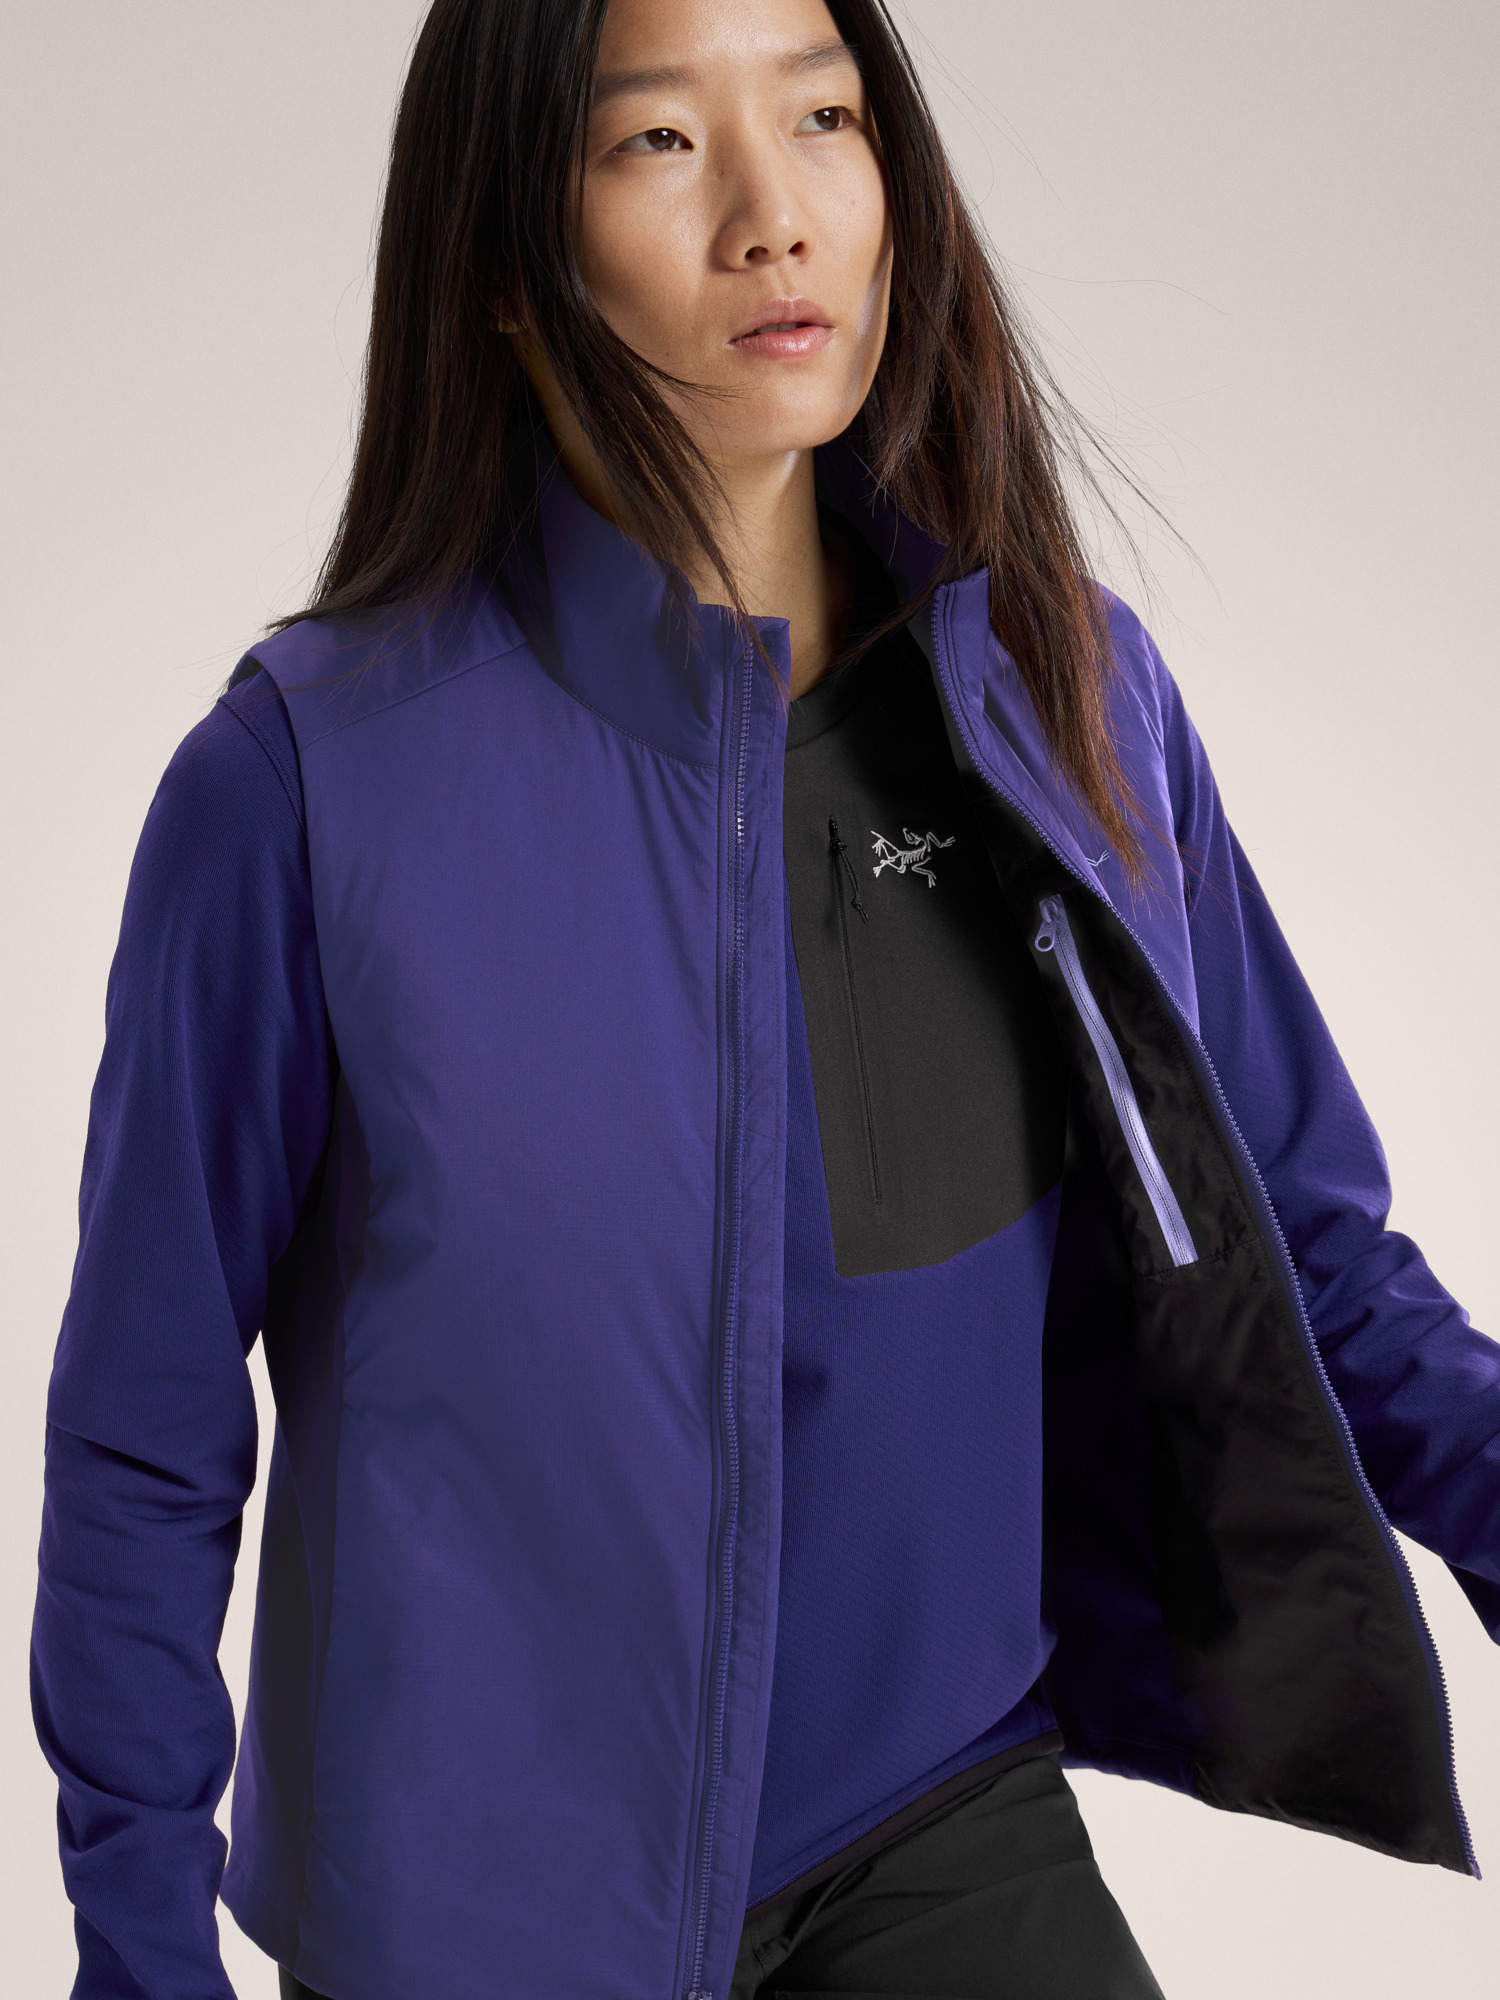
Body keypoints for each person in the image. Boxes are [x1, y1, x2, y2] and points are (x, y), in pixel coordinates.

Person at [30, 0, 1500, 1994]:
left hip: (940, 1817)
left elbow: (1306, 1252)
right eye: (657, 140)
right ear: (502, 265)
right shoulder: (304, 786)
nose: (773, 214)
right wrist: (142, 1952)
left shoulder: (1066, 695)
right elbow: (147, 1432)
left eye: (823, 115)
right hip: (485, 1917)